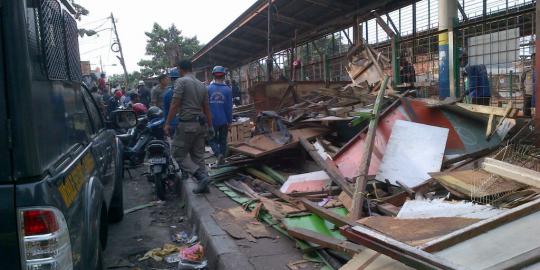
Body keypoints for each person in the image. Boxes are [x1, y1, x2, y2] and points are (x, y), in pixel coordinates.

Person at [164, 60, 214, 194]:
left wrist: (167, 123)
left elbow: (175, 104)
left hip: (187, 124)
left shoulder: (181, 82)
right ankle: (204, 186)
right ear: (191, 68)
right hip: (200, 125)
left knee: (177, 153)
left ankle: (200, 176)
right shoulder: (201, 85)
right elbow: (207, 108)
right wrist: (210, 126)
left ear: (180, 69)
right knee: (198, 156)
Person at [207, 66, 233, 165]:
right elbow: (229, 108)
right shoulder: (228, 90)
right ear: (224, 76)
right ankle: (222, 157)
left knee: (211, 139)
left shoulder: (208, 89)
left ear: (213, 75)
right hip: (224, 121)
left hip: (211, 121)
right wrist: (230, 122)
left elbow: (205, 106)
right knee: (223, 141)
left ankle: (218, 155)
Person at [163, 68, 180, 135]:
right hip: (186, 124)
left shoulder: (167, 94)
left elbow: (166, 111)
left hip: (173, 124)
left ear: (171, 79)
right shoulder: (187, 91)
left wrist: (166, 124)